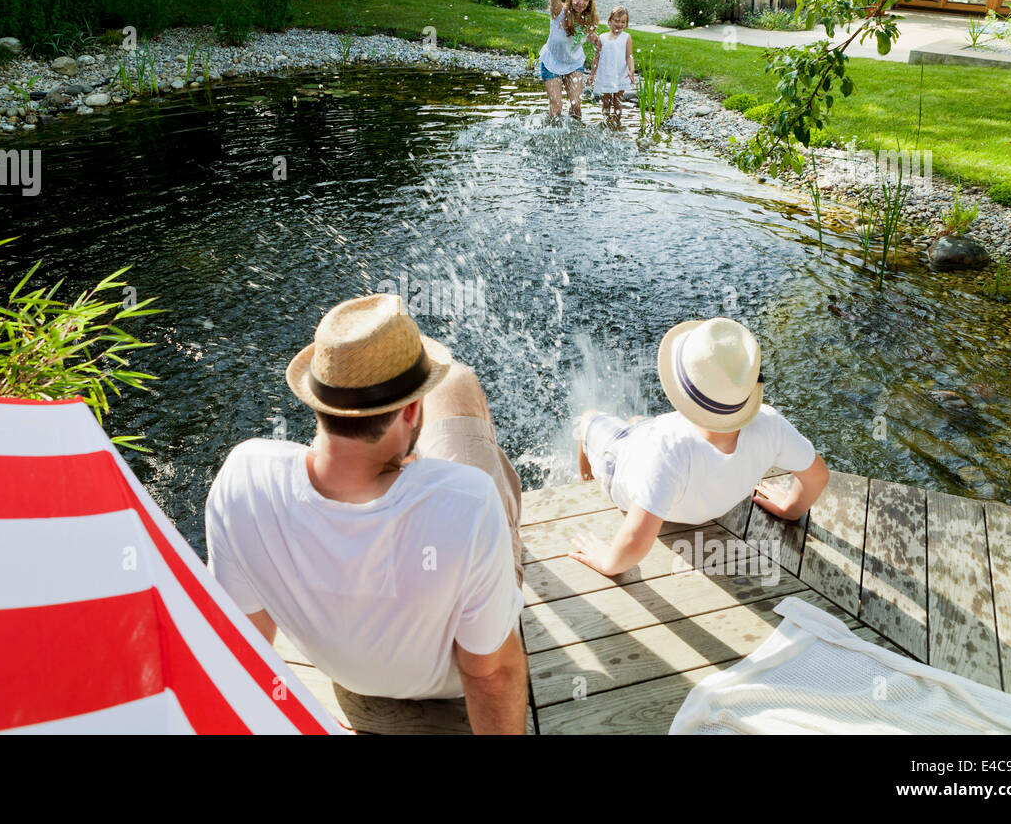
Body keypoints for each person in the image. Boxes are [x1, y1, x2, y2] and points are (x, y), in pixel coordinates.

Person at [204, 293, 528, 734]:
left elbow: (243, 651)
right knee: (460, 383)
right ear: (413, 408)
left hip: (350, 677)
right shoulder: (469, 500)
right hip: (450, 682)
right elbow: (490, 673)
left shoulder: (242, 478)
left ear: (317, 402)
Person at [568, 317, 830, 578]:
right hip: (693, 498)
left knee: (589, 420)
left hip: (621, 469)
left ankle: (589, 483)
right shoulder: (772, 425)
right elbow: (818, 476)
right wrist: (792, 509)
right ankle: (632, 429)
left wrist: (608, 562)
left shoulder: (668, 449)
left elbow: (636, 542)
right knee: (638, 424)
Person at [539, 0, 600, 119]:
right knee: (557, 109)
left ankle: (577, 138)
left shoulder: (588, 21)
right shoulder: (559, 13)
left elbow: (594, 39)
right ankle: (550, 137)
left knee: (576, 107)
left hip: (574, 64)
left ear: (589, 3)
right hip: (552, 62)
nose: (580, 2)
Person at [589, 6, 635, 121]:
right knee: (606, 101)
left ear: (626, 23)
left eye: (623, 22)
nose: (619, 24)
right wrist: (592, 75)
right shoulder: (602, 37)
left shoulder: (626, 37)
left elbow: (629, 56)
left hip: (620, 74)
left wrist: (631, 70)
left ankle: (617, 123)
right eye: (617, 21)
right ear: (610, 21)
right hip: (606, 75)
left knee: (617, 101)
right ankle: (606, 123)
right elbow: (597, 57)